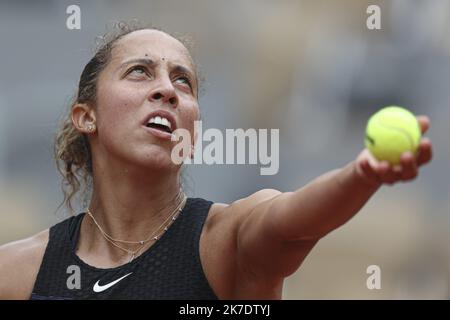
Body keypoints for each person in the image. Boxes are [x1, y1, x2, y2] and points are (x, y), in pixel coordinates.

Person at [0, 24, 433, 300]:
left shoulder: (226, 243)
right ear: (86, 116)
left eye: (182, 81)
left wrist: (361, 175)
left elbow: (295, 218)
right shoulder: (17, 273)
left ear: (194, 131)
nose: (167, 90)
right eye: (139, 72)